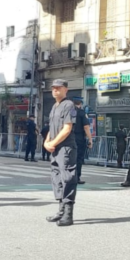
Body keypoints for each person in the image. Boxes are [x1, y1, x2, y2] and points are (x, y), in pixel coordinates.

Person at [44, 79, 78, 226]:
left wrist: (53, 143)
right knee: (56, 178)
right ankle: (61, 210)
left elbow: (67, 128)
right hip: (55, 148)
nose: (55, 90)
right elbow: (51, 128)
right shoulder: (54, 107)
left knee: (68, 178)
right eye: (53, 88)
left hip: (66, 148)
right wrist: (46, 142)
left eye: (58, 88)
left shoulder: (68, 105)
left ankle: (68, 214)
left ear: (66, 89)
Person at [72, 96, 92, 184]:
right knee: (78, 158)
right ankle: (77, 177)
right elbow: (86, 127)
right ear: (80, 104)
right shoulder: (81, 113)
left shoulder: (68, 113)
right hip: (79, 138)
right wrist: (90, 139)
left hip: (69, 138)